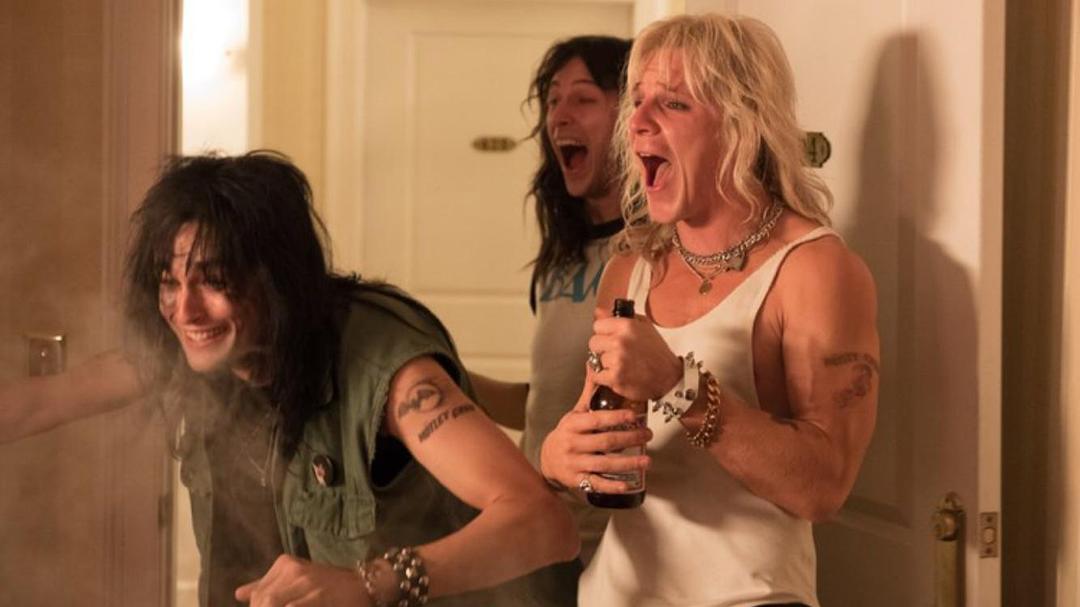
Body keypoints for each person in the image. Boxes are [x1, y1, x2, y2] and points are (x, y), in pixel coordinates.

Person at [0, 151, 578, 606]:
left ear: (276, 278)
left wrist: (367, 584)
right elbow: (38, 405)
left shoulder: (389, 373)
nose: (184, 310)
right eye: (169, 282)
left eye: (214, 280)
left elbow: (542, 523)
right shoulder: (190, 350)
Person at [539, 14, 879, 607]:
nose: (637, 122)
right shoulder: (630, 269)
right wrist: (558, 458)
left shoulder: (813, 268)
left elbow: (823, 488)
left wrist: (678, 385)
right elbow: (595, 437)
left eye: (672, 104)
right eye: (637, 101)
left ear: (744, 123)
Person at [467, 35, 630, 569]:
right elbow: (549, 402)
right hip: (541, 542)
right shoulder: (561, 259)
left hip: (619, 551)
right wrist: (444, 379)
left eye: (583, 98)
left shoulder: (661, 254)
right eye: (553, 101)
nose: (559, 116)